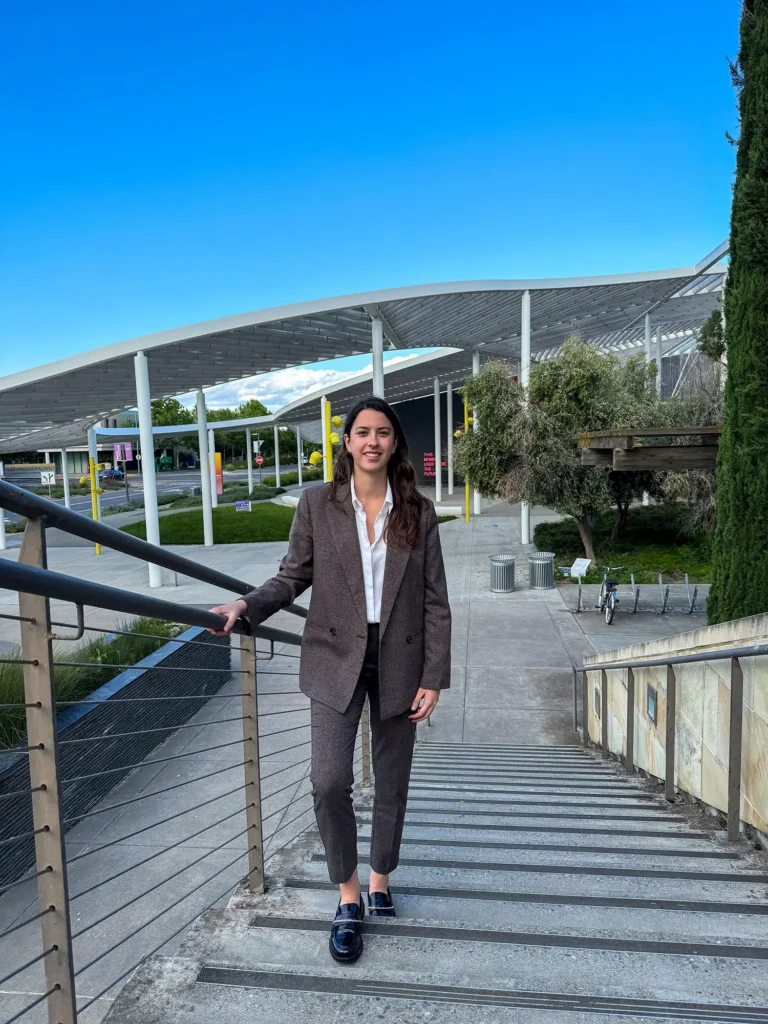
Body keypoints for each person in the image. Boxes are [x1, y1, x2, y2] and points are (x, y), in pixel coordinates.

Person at [208, 395, 451, 964]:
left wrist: (434, 677)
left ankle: (379, 879)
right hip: (333, 657)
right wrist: (248, 605)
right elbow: (292, 577)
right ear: (346, 442)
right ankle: (347, 897)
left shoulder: (418, 511)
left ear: (395, 444)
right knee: (327, 780)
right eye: (362, 432)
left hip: (401, 661)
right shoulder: (318, 505)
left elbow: (436, 603)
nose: (372, 441)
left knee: (391, 782)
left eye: (383, 433)